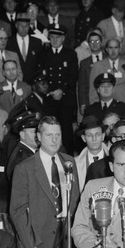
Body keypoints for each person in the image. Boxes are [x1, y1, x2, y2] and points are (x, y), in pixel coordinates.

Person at [10, 117, 80, 248]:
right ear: (39, 137)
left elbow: (75, 199)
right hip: (38, 242)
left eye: (57, 135)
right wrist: (30, 246)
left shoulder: (69, 162)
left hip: (68, 239)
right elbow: (18, 211)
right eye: (49, 135)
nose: (54, 140)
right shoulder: (24, 168)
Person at [37, 24, 81, 152]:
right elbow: (40, 76)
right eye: (52, 37)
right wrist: (48, 91)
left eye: (58, 37)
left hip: (65, 98)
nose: (55, 40)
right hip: (49, 99)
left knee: (66, 129)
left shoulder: (70, 54)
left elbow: (73, 75)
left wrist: (62, 90)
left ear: (63, 38)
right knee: (49, 128)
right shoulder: (43, 54)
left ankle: (68, 157)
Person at [7, 13, 44, 84]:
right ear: (16, 25)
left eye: (26, 26)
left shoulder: (37, 42)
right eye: (21, 25)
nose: (24, 28)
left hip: (33, 83)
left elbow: (40, 63)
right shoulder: (9, 42)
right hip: (14, 81)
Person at [74, 116, 108, 187]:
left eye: (97, 134)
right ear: (84, 138)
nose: (94, 139)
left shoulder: (114, 158)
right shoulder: (75, 163)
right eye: (89, 135)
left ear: (103, 136)